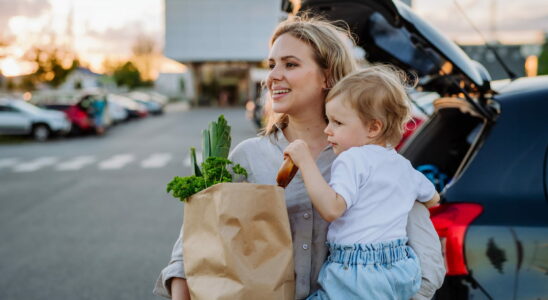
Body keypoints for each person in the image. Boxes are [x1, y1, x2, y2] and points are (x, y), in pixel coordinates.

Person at [154, 16, 445, 300]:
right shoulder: (249, 157)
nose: (272, 76)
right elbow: (192, 248)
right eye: (271, 65)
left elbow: (428, 260)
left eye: (290, 64)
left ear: (327, 76)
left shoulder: (373, 160)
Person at [283, 65, 440, 299]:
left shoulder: (353, 158)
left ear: (373, 128)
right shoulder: (403, 166)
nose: (328, 130)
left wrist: (305, 162)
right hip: (401, 269)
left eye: (337, 122)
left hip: (356, 273)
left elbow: (332, 209)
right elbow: (433, 199)